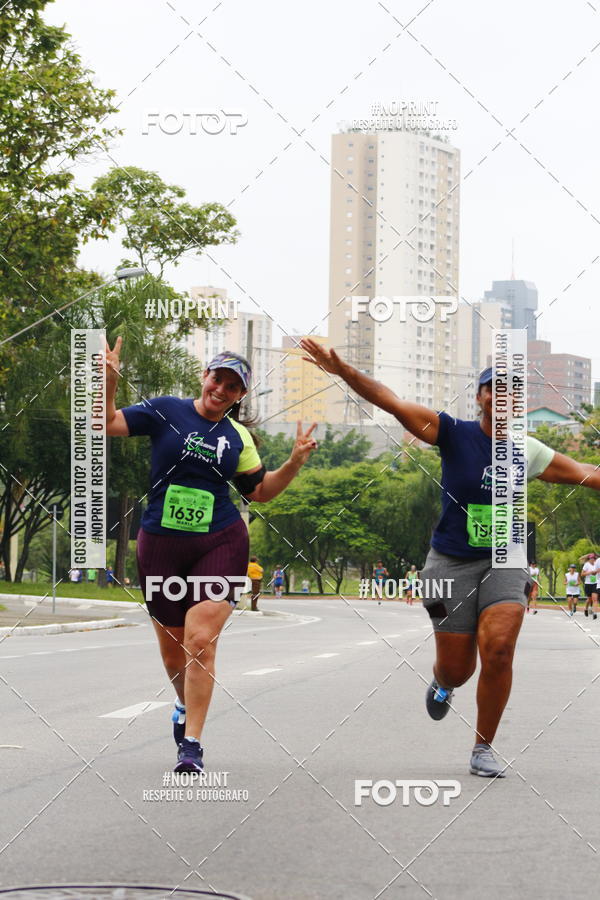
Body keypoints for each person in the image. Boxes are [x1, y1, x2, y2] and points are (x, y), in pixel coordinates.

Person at [301, 339, 600, 778]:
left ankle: (483, 748)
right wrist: (344, 371)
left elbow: (587, 474)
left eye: (511, 392)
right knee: (459, 669)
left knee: (498, 649)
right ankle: (443, 682)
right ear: (479, 397)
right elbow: (390, 400)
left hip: (505, 560)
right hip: (448, 564)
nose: (502, 398)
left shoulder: (529, 451)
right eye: (493, 389)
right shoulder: (451, 433)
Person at [106, 339, 317, 773]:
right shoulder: (165, 409)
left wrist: (294, 461)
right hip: (160, 543)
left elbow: (259, 493)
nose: (221, 388)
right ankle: (184, 705)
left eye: (233, 386)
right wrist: (110, 380)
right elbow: (106, 422)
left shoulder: (237, 438)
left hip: (219, 541)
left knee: (199, 641)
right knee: (172, 652)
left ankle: (192, 746)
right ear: (205, 377)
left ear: (240, 397)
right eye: (217, 378)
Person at [579, 553, 598, 619]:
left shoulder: (596, 564)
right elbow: (582, 574)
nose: (592, 559)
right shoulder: (586, 565)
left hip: (595, 583)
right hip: (588, 584)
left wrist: (596, 572)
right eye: (591, 558)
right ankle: (586, 609)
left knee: (595, 599)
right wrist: (589, 572)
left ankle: (595, 613)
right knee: (589, 599)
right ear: (589, 559)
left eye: (594, 558)